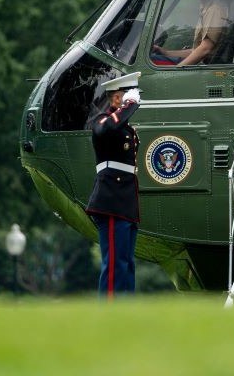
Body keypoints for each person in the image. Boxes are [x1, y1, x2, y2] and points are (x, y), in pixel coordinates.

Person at [85, 72, 142, 298]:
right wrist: (128, 106)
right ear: (116, 99)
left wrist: (126, 108)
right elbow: (105, 129)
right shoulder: (102, 120)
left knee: (126, 261)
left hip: (126, 200)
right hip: (110, 199)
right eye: (127, 95)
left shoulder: (125, 127)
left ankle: (125, 311)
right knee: (114, 263)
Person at [151, 0, 229, 66]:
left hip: (202, 69)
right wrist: (165, 52)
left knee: (151, 62)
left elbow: (205, 49)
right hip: (199, 65)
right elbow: (196, 51)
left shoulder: (214, 9)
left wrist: (177, 71)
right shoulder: (206, 8)